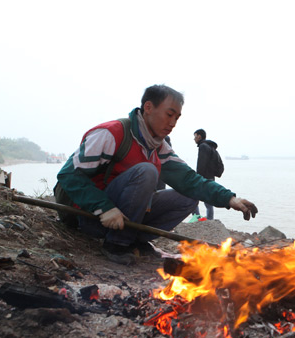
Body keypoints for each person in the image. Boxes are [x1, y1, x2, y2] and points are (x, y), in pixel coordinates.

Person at [56, 84, 258, 265]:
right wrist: (104, 207)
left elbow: (189, 180)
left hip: (121, 219)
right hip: (88, 217)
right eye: (169, 114)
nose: (173, 123)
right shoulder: (112, 133)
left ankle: (136, 239)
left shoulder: (158, 147)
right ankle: (117, 244)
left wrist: (229, 198)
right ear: (149, 108)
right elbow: (68, 176)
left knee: (189, 194)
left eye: (177, 117)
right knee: (147, 171)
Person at [192, 128, 221, 220]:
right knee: (208, 202)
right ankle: (210, 220)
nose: (194, 139)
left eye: (195, 136)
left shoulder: (203, 146)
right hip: (210, 177)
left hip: (203, 178)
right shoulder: (210, 146)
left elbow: (201, 163)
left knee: (192, 197)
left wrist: (197, 177)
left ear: (199, 136)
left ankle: (197, 218)